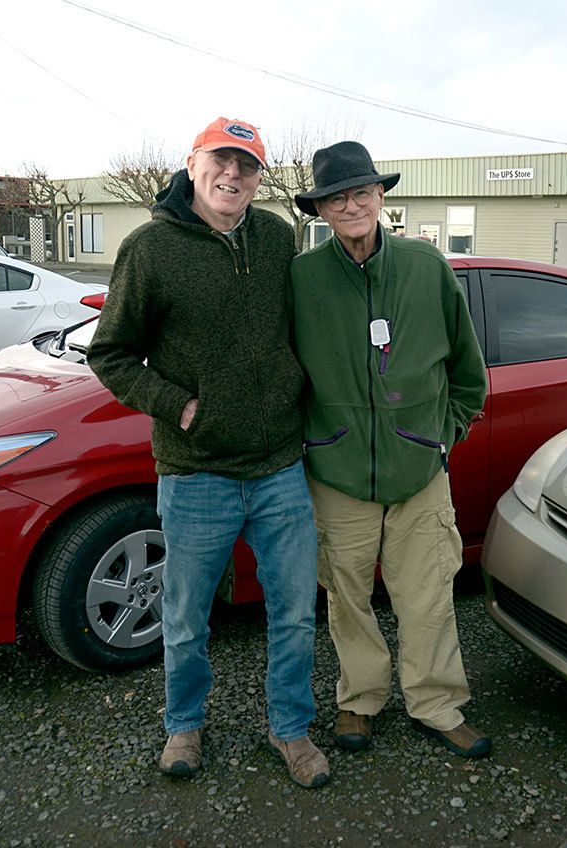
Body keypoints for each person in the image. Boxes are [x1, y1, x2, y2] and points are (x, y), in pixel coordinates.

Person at [87, 117, 329, 788]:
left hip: (279, 465)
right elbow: (110, 353)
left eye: (248, 165)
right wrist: (179, 405)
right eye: (221, 160)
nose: (234, 175)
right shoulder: (150, 249)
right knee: (187, 618)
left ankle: (291, 730)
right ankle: (184, 725)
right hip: (196, 475)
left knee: (294, 613)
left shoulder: (279, 239)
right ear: (192, 165)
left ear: (259, 178)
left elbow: (308, 327)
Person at [290, 141, 491, 758]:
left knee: (429, 593)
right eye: (336, 196)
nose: (351, 204)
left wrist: (441, 435)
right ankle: (360, 701)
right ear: (321, 209)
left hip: (418, 469)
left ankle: (437, 704)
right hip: (337, 469)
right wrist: (310, 441)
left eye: (362, 192)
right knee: (346, 597)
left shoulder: (426, 267)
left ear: (381, 197)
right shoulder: (302, 278)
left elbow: (468, 372)